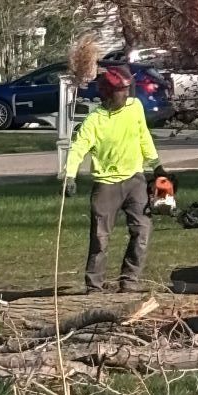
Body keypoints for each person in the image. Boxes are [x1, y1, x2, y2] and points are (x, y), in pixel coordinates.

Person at [64, 65, 163, 293]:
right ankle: (94, 286)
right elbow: (78, 149)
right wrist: (69, 175)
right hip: (106, 185)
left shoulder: (135, 108)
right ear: (108, 92)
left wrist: (157, 165)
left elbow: (143, 136)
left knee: (142, 232)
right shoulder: (94, 120)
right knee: (100, 238)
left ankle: (129, 281)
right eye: (121, 90)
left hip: (135, 179)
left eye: (128, 89)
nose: (126, 94)